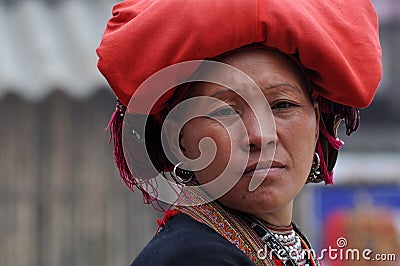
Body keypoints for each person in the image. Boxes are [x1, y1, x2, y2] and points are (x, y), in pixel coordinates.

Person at [96, 0, 382, 265]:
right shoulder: (194, 258)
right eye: (224, 111)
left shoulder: (267, 244)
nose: (260, 135)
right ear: (179, 138)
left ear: (317, 119)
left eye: (282, 105)